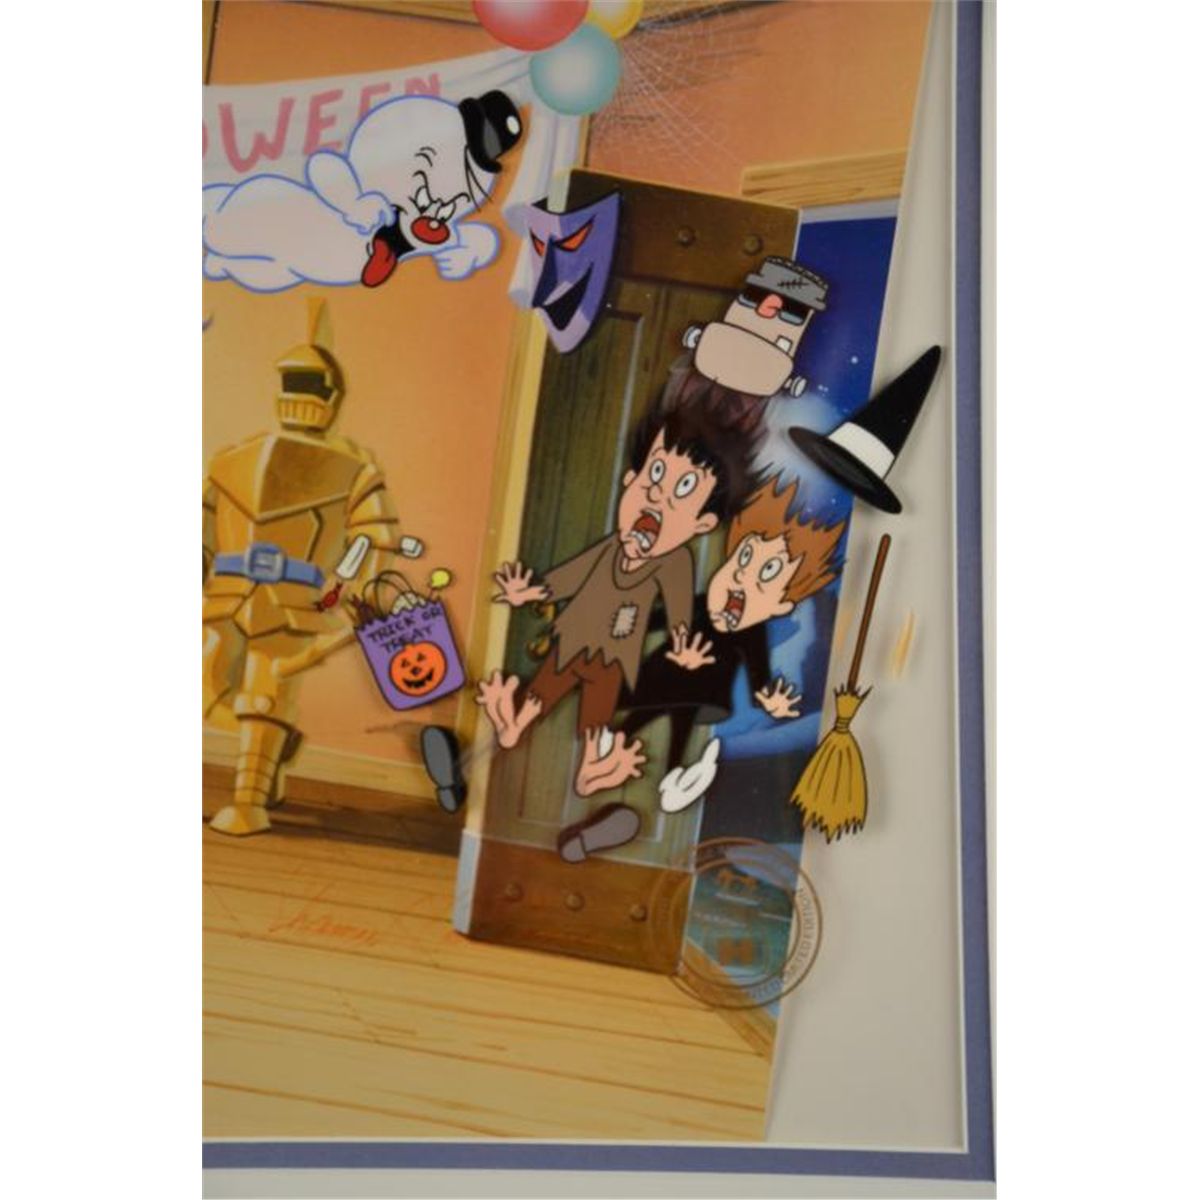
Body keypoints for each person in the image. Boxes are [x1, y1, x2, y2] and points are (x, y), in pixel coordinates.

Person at [618, 476, 845, 813]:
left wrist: (768, 703)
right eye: (745, 556)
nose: (742, 576)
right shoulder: (709, 603)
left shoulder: (761, 634)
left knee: (679, 726)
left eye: (767, 571)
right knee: (645, 708)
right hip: (670, 677)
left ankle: (671, 774)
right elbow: (664, 617)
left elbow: (759, 676)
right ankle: (620, 742)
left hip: (704, 698)